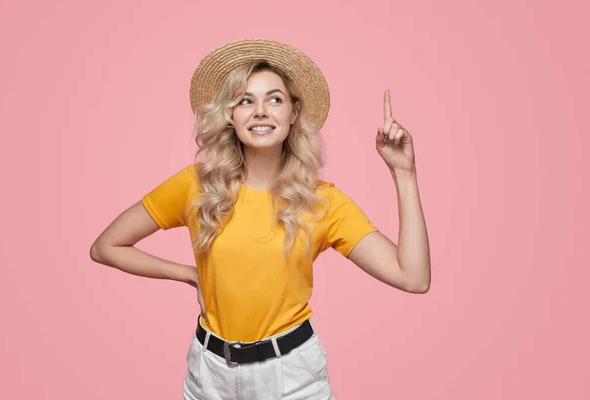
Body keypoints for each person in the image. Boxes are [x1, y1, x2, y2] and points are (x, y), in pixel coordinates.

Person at [90, 38, 431, 400]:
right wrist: (190, 275)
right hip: (209, 375)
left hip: (292, 377)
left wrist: (404, 173)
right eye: (245, 100)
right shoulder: (196, 186)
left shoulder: (322, 202)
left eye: (274, 99)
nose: (260, 111)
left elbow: (413, 277)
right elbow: (106, 247)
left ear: (293, 113)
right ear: (230, 115)